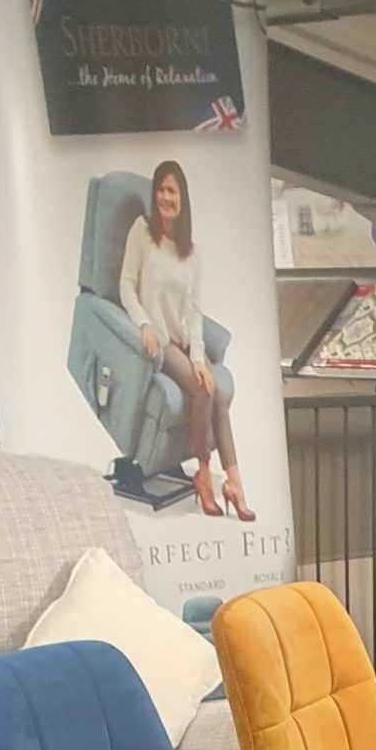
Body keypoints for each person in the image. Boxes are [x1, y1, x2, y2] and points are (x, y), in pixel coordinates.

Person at [118, 160, 254, 521]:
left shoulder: (191, 252)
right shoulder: (142, 232)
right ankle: (204, 476)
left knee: (216, 391)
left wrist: (197, 357)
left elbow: (194, 312)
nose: (165, 197)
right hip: (160, 342)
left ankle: (235, 485)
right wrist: (144, 324)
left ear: (183, 198)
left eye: (172, 191)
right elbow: (126, 286)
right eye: (160, 190)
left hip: (183, 341)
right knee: (201, 390)